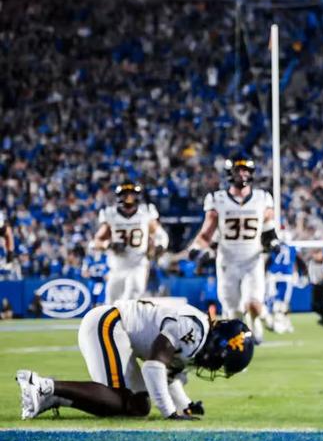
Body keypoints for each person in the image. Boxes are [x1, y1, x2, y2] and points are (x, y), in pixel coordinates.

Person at [14, 300, 254, 420]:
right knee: (118, 399)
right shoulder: (194, 329)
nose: (215, 368)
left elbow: (168, 377)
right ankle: (42, 384)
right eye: (220, 362)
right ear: (219, 345)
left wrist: (185, 405)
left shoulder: (198, 341)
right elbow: (153, 366)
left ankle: (54, 396)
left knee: (138, 407)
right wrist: (170, 412)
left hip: (121, 333)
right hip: (109, 323)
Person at [190, 157, 279, 344]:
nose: (242, 174)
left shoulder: (262, 198)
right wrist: (197, 248)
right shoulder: (217, 199)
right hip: (227, 261)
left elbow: (269, 230)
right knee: (233, 312)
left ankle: (264, 319)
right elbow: (206, 233)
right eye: (238, 170)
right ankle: (242, 346)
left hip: (252, 260)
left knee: (253, 304)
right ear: (230, 173)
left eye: (245, 170)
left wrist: (273, 243)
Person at [89, 182, 163, 303]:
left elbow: (159, 234)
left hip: (138, 263)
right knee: (111, 300)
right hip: (117, 264)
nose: (128, 198)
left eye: (131, 195)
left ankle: (129, 320)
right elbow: (97, 241)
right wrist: (108, 244)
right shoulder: (110, 214)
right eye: (125, 195)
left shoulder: (146, 212)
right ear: (119, 197)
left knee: (133, 294)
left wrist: (159, 246)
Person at [301, 250, 323, 327]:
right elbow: (306, 273)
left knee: (322, 304)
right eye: (315, 254)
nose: (316, 256)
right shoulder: (310, 263)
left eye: (318, 254)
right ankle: (322, 318)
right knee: (314, 305)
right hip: (315, 286)